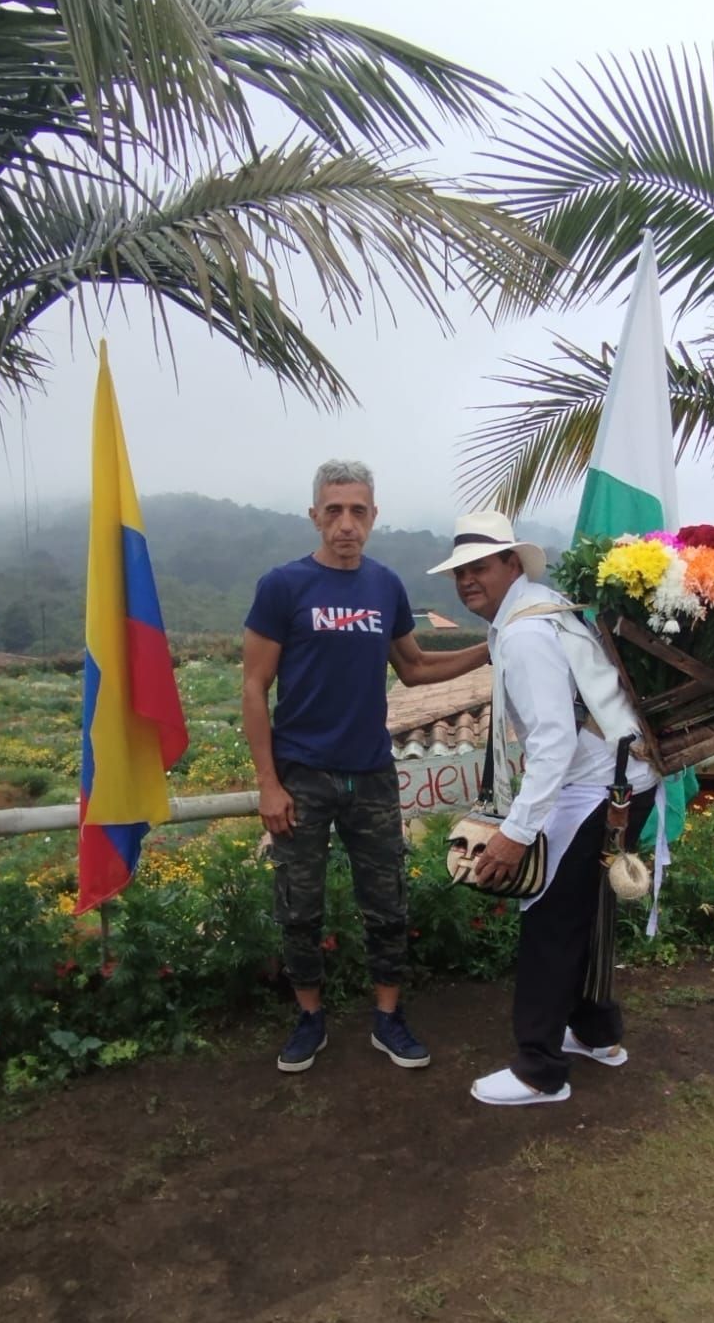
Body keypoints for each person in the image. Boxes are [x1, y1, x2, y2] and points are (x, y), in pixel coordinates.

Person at [243, 460, 490, 1076]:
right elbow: (253, 686)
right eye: (334, 510)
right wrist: (268, 784)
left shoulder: (384, 586)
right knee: (298, 908)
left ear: (374, 517)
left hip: (373, 774)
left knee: (387, 904)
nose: (345, 523)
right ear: (315, 516)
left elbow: (415, 669)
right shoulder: (283, 587)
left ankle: (387, 1019)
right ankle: (309, 1019)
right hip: (302, 775)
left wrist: (491, 648)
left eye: (358, 511)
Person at [428, 511, 660, 1107]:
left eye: (479, 568)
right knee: (583, 912)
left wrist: (516, 831)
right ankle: (595, 1034)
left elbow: (553, 741)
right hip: (620, 778)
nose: (467, 582)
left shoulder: (526, 633)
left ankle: (539, 1070)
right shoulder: (541, 609)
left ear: (513, 564)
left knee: (550, 920)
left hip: (595, 788)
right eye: (460, 572)